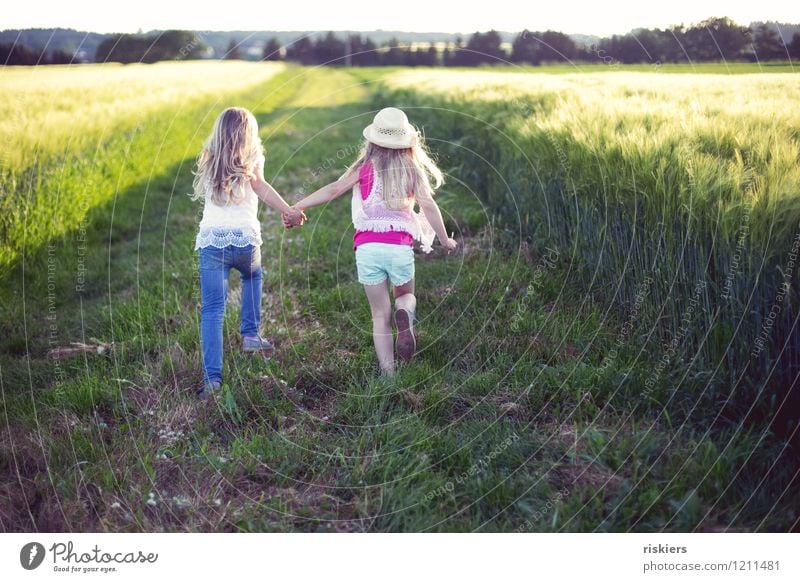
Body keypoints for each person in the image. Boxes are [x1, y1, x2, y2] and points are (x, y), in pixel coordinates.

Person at [285, 107, 457, 376]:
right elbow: (429, 205)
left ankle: (388, 376)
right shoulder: (411, 170)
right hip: (399, 247)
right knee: (406, 295)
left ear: (373, 141)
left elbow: (333, 189)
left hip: (367, 249)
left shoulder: (364, 168)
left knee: (379, 314)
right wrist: (445, 239)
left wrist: (297, 206)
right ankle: (406, 314)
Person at [192, 107, 306, 399]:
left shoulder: (209, 159)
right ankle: (251, 334)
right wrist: (289, 211)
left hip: (211, 243)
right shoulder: (253, 159)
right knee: (252, 276)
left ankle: (212, 380)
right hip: (244, 241)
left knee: (212, 311)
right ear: (249, 135)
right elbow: (262, 187)